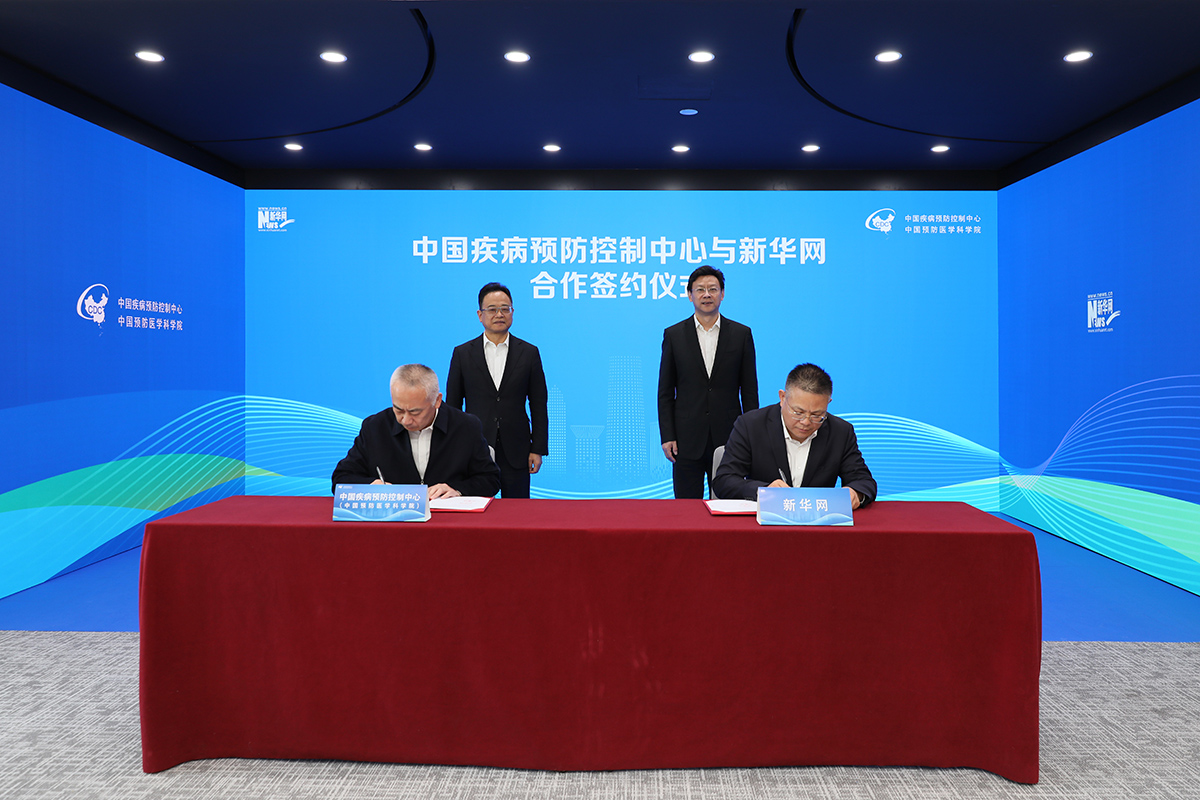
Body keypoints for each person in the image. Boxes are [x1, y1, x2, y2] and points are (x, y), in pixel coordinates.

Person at [713, 363, 876, 507]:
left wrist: (855, 493)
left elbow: (863, 481)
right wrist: (763, 490)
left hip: (818, 524)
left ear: (828, 403)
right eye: (798, 412)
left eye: (817, 415)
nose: (806, 422)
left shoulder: (840, 432)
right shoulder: (751, 425)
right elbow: (724, 481)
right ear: (782, 397)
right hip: (765, 523)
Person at [657, 265, 758, 498]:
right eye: (700, 289)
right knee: (686, 508)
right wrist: (668, 435)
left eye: (713, 289)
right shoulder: (674, 335)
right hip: (685, 439)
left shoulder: (741, 334)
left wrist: (752, 436)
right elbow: (665, 392)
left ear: (722, 294)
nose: (706, 295)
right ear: (689, 294)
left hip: (729, 437)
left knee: (728, 505)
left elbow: (749, 391)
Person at [331, 364, 500, 499]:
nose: (405, 420)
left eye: (415, 412)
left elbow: (490, 479)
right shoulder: (375, 427)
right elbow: (341, 478)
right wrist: (371, 486)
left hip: (448, 520)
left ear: (437, 401)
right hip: (394, 521)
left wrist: (457, 489)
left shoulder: (465, 426)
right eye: (398, 410)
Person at [446, 282, 549, 498]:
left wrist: (537, 448)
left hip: (517, 447)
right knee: (477, 509)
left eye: (505, 309)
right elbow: (453, 406)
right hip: (475, 446)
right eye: (492, 309)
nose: (499, 314)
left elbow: (538, 404)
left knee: (517, 510)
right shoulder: (463, 353)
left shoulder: (529, 352)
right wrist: (453, 448)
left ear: (512, 312)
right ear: (480, 315)